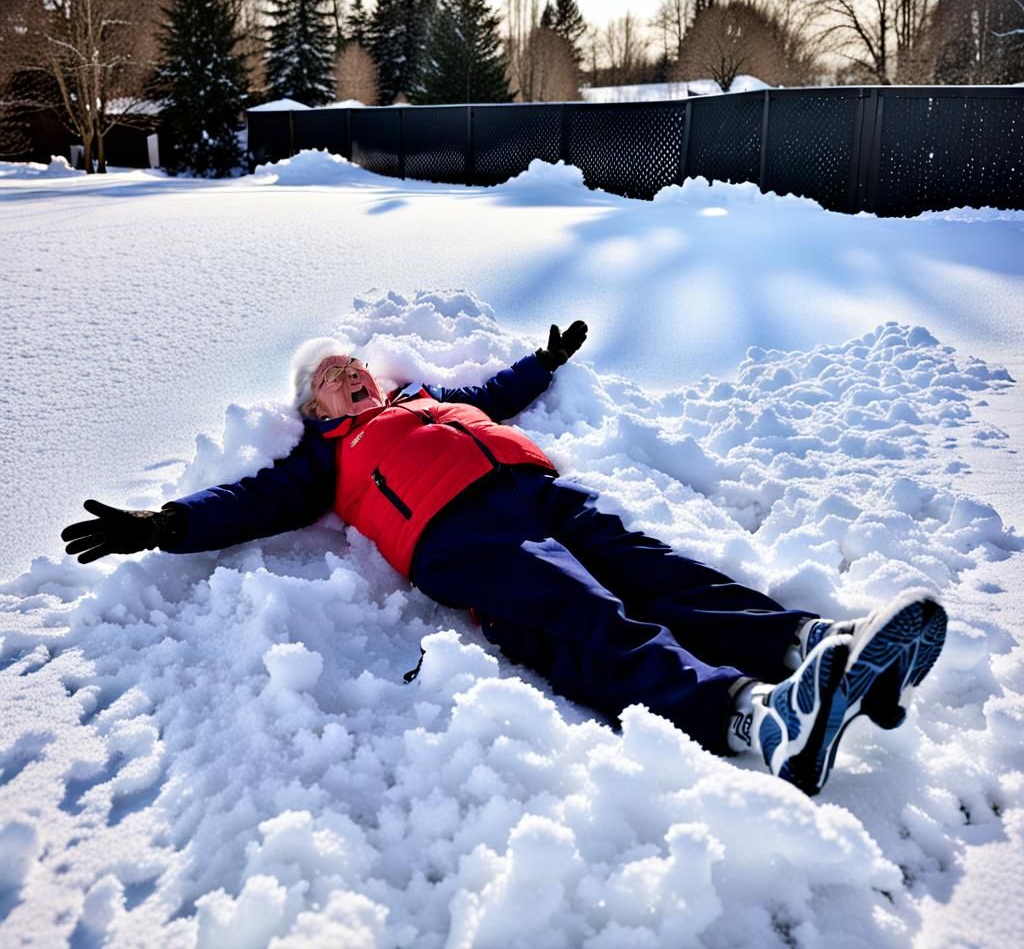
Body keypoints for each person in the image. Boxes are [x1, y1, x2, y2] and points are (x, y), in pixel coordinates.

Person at [62, 322, 947, 795]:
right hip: (455, 534)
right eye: (333, 373)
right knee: (589, 618)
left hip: (535, 488)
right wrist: (165, 523)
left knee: (657, 569)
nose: (352, 372)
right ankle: (753, 718)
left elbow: (495, 393)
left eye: (354, 363)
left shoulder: (423, 397)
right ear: (313, 404)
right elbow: (250, 501)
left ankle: (815, 647)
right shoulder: (323, 457)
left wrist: (543, 362)